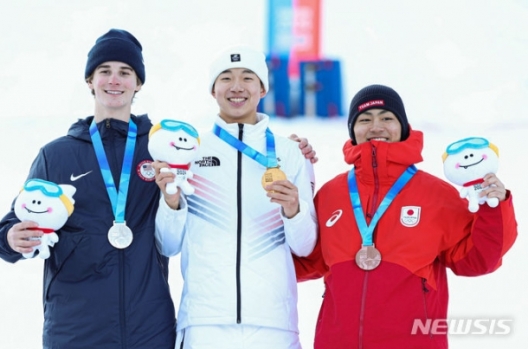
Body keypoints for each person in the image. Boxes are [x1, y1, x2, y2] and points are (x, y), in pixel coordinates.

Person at [294, 84, 518, 349]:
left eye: (387, 118)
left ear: (403, 127)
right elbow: (304, 262)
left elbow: (477, 261)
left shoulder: (437, 194)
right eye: (365, 119)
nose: (376, 127)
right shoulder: (331, 194)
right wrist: (287, 175)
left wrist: (493, 208)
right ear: (352, 131)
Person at [0, 29, 177, 348]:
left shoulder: (163, 149)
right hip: (75, 329)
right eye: (104, 71)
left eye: (125, 72)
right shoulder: (57, 155)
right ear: (90, 81)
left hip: (149, 329)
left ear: (139, 83)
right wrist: (11, 238)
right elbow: (15, 222)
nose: (114, 80)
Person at [154, 45, 318, 349]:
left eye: (248, 77)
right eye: (226, 78)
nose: (237, 87)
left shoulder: (290, 153)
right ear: (213, 90)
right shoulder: (189, 151)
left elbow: (305, 246)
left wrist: (294, 210)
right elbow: (167, 244)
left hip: (273, 324)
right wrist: (171, 202)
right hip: (205, 322)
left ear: (263, 88)